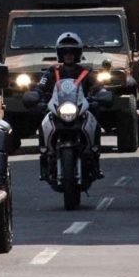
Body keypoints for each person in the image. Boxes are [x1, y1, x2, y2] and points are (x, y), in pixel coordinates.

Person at [33, 32, 105, 178]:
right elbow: (40, 86)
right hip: (57, 108)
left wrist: (102, 93)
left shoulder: (86, 72)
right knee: (41, 115)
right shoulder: (52, 72)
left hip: (80, 109)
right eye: (65, 52)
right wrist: (36, 94)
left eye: (72, 52)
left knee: (95, 113)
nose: (69, 55)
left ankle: (94, 152)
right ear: (60, 54)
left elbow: (98, 86)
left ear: (78, 54)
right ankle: (45, 152)